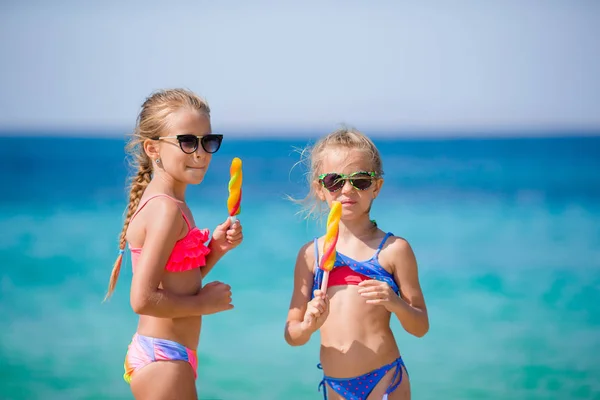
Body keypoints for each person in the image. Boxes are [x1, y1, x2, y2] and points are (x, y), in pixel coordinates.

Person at [104, 88, 243, 400]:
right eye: (187, 141)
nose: (201, 153)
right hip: (162, 357)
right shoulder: (166, 209)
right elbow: (141, 300)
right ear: (153, 148)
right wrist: (204, 305)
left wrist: (216, 249)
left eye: (208, 141)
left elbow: (177, 281)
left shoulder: (171, 204)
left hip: (168, 353)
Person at [284, 127, 429, 400]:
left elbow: (420, 327)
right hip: (335, 387)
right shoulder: (310, 255)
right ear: (320, 188)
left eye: (360, 180)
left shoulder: (394, 250)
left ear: (376, 186)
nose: (347, 189)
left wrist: (395, 303)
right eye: (335, 181)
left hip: (385, 378)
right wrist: (308, 326)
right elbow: (292, 335)